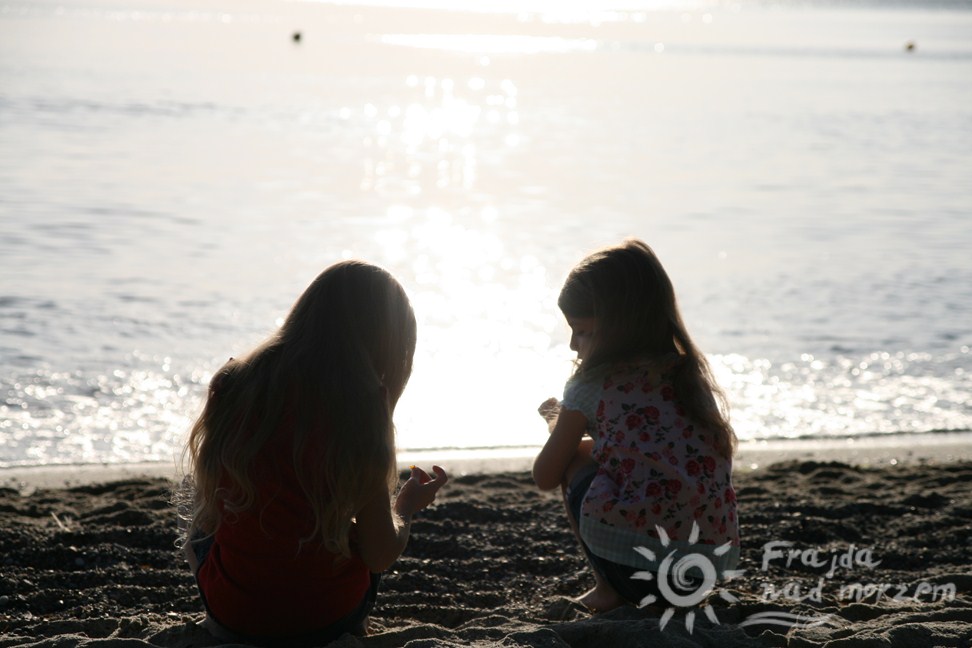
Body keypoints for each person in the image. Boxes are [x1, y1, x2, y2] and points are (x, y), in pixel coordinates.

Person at [181, 260, 447, 646]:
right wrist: (404, 506)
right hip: (326, 621)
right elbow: (378, 554)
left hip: (233, 618)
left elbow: (210, 511)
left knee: (203, 507)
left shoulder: (232, 381)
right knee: (348, 535)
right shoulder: (364, 406)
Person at [533, 239, 739, 613]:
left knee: (574, 458)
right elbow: (642, 443)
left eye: (583, 332)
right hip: (704, 570)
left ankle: (606, 589)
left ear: (617, 325)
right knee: (605, 455)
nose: (573, 345)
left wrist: (556, 421)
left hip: (637, 572)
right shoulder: (688, 375)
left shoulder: (591, 384)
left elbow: (545, 473)